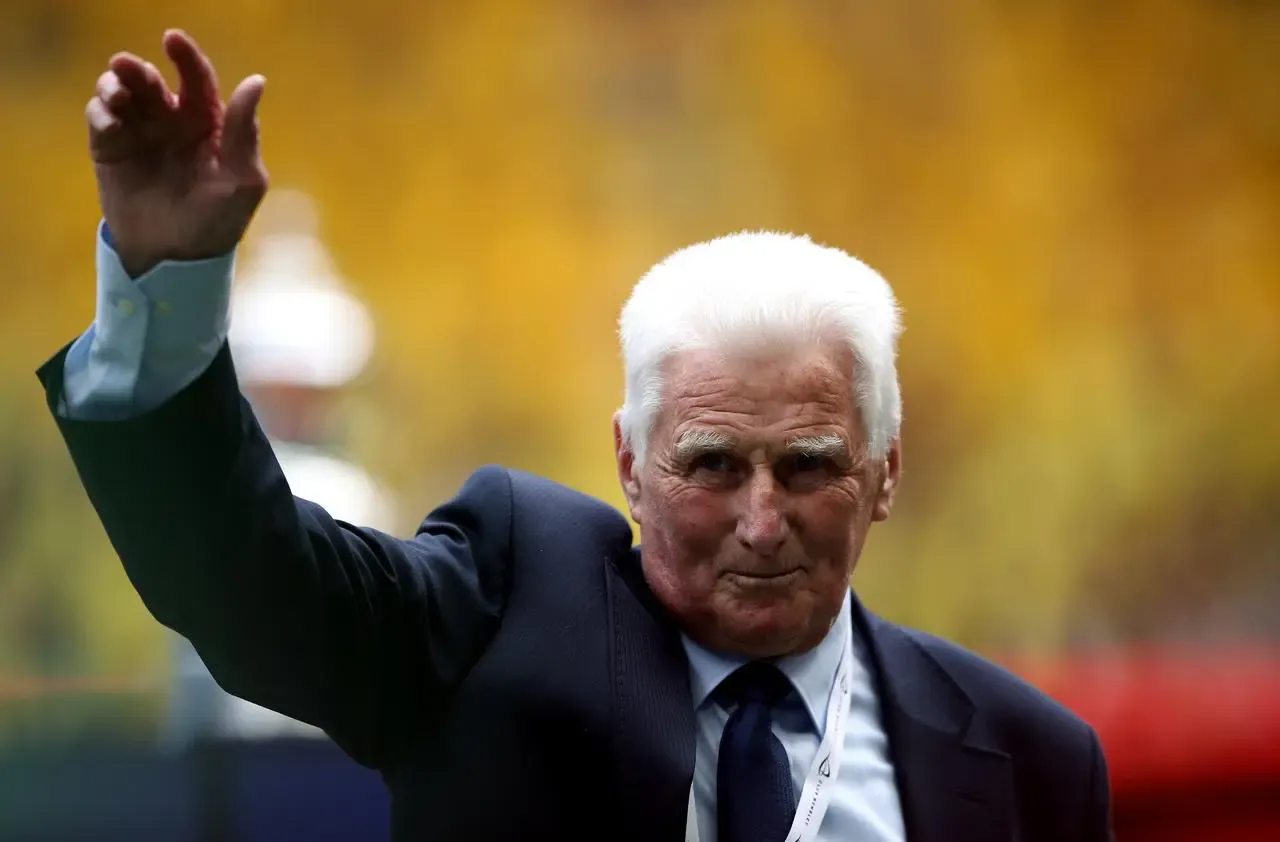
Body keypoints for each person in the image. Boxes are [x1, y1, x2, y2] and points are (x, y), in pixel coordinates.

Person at [38, 29, 1114, 842]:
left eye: (807, 466)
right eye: (709, 463)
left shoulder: (1030, 759)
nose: (759, 519)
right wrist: (168, 284)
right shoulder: (510, 601)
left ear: (883, 472)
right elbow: (243, 579)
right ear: (628, 466)